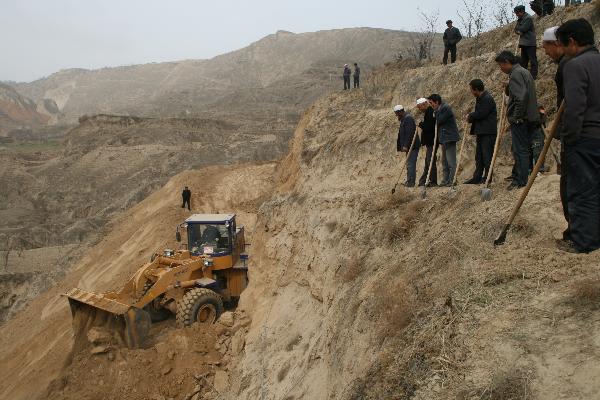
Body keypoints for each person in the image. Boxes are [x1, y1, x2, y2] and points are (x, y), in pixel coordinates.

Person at [555, 18, 600, 253]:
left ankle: (584, 242)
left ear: (572, 42)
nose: (562, 51)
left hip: (584, 138)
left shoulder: (575, 66)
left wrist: (569, 138)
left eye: (562, 46)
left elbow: (574, 108)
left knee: (582, 191)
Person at [495, 50, 540, 190]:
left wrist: (516, 117)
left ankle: (521, 180)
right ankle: (522, 178)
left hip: (522, 119)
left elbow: (521, 98)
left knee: (520, 150)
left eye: (500, 65)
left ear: (507, 63)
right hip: (530, 117)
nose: (500, 69)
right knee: (524, 149)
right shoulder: (524, 72)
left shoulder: (515, 74)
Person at [542, 25, 571, 241]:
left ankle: (575, 231)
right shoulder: (566, 64)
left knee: (570, 183)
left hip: (575, 132)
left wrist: (565, 128)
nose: (545, 52)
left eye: (546, 47)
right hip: (571, 129)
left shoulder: (569, 66)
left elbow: (572, 102)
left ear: (557, 44)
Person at [465, 79, 498, 184]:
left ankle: (488, 178)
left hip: (488, 132)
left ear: (476, 89)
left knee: (487, 156)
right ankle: (477, 177)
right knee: (479, 156)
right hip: (482, 132)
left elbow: (481, 113)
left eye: (471, 89)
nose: (471, 92)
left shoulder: (487, 98)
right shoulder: (480, 98)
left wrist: (470, 116)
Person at [428, 94, 460, 186]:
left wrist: (435, 112)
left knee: (451, 161)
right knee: (444, 162)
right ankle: (445, 180)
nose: (431, 105)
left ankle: (452, 181)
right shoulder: (439, 109)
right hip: (444, 138)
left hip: (449, 137)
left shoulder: (445, 108)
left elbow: (439, 120)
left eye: (431, 103)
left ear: (437, 102)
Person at [395, 105, 420, 187]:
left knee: (411, 164)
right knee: (409, 164)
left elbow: (409, 134)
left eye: (397, 113)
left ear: (400, 112)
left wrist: (405, 145)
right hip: (410, 146)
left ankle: (411, 182)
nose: (396, 115)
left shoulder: (408, 118)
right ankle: (409, 180)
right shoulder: (404, 119)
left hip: (412, 146)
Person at [416, 97, 438, 187]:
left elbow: (429, 127)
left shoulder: (430, 112)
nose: (419, 109)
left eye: (420, 107)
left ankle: (432, 181)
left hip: (432, 141)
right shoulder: (428, 112)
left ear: (424, 104)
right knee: (428, 161)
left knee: (431, 160)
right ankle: (425, 180)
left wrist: (421, 124)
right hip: (430, 141)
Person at [514, 5, 538, 79]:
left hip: (530, 43)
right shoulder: (520, 19)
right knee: (523, 61)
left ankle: (533, 76)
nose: (517, 15)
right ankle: (523, 76)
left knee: (532, 60)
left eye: (517, 13)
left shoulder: (528, 18)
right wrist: (519, 31)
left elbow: (523, 29)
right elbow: (516, 29)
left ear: (522, 11)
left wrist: (520, 30)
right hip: (524, 43)